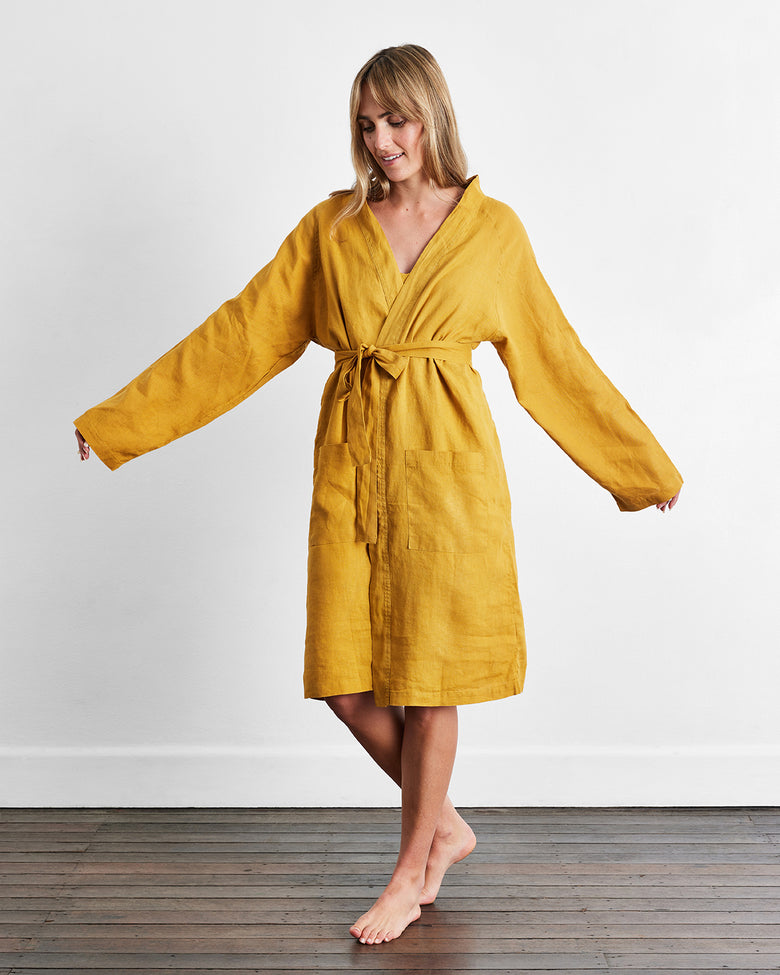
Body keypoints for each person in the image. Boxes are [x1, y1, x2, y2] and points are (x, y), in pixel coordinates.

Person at [74, 44, 682, 945]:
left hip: (449, 475)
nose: (382, 141)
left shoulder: (493, 231)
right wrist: (121, 421)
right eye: (366, 124)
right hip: (352, 464)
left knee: (431, 681)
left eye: (397, 120)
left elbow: (555, 359)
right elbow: (239, 338)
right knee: (345, 682)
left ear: (433, 114)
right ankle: (445, 828)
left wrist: (639, 467)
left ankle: (407, 874)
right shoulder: (332, 227)